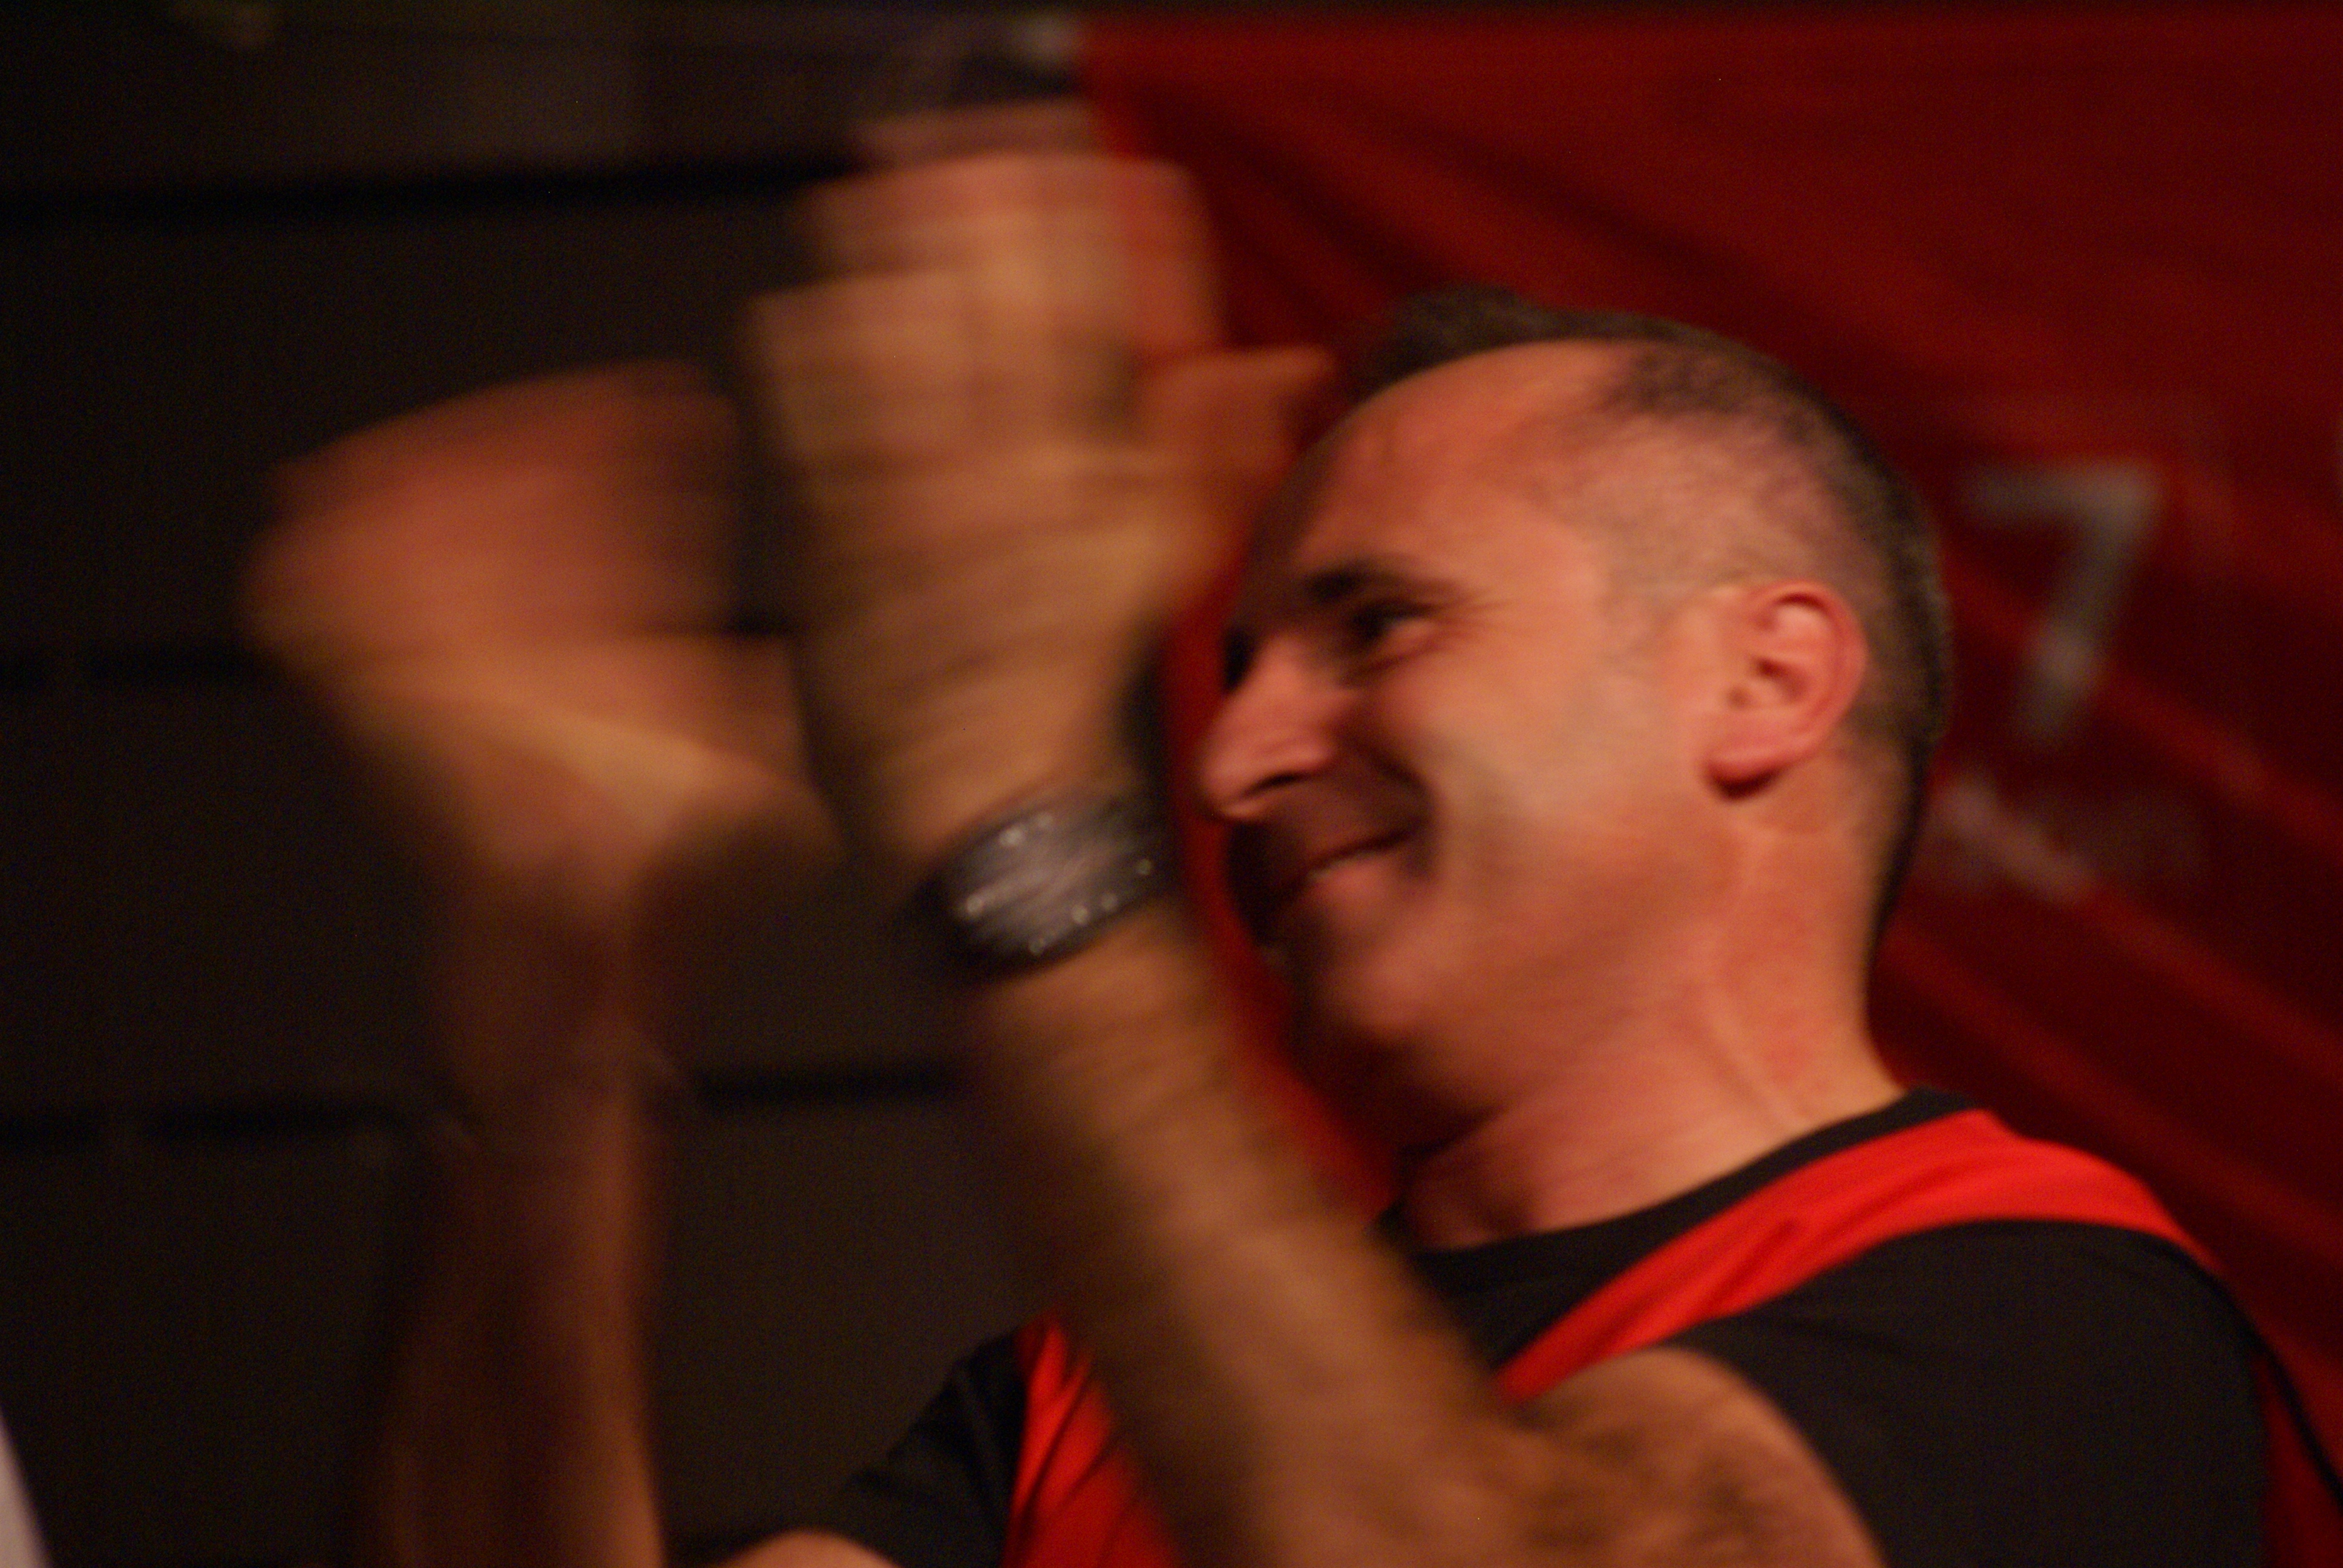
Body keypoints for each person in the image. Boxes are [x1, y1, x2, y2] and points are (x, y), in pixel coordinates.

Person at [248, 134, 2295, 1568]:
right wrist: (558, 1006)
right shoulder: (1077, 1413)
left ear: (1763, 682)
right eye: (1234, 667)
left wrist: (1011, 811)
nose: (1228, 761)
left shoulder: (2056, 1315)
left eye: (1378, 625)